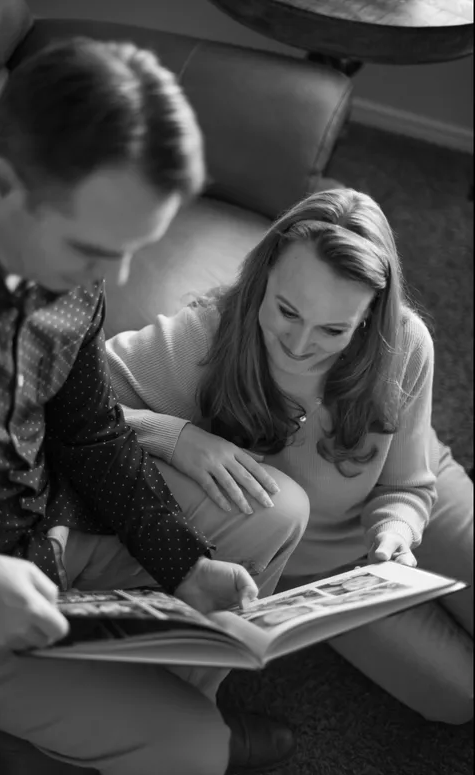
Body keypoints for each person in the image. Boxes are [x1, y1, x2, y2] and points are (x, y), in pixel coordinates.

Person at [0, 37, 310, 775]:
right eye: (94, 246)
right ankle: (180, 738)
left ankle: (164, 709)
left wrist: (183, 563)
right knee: (190, 747)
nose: (113, 276)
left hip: (49, 527)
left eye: (133, 249)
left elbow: (90, 429)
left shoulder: (73, 278)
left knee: (272, 511)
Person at [106, 187, 473, 725]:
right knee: (458, 698)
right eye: (286, 311)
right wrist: (179, 435)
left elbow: (408, 485)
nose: (300, 345)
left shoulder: (407, 344)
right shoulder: (207, 336)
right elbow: (66, 398)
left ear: (371, 317)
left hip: (415, 496)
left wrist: (395, 530)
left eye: (333, 330)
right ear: (264, 278)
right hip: (318, 571)